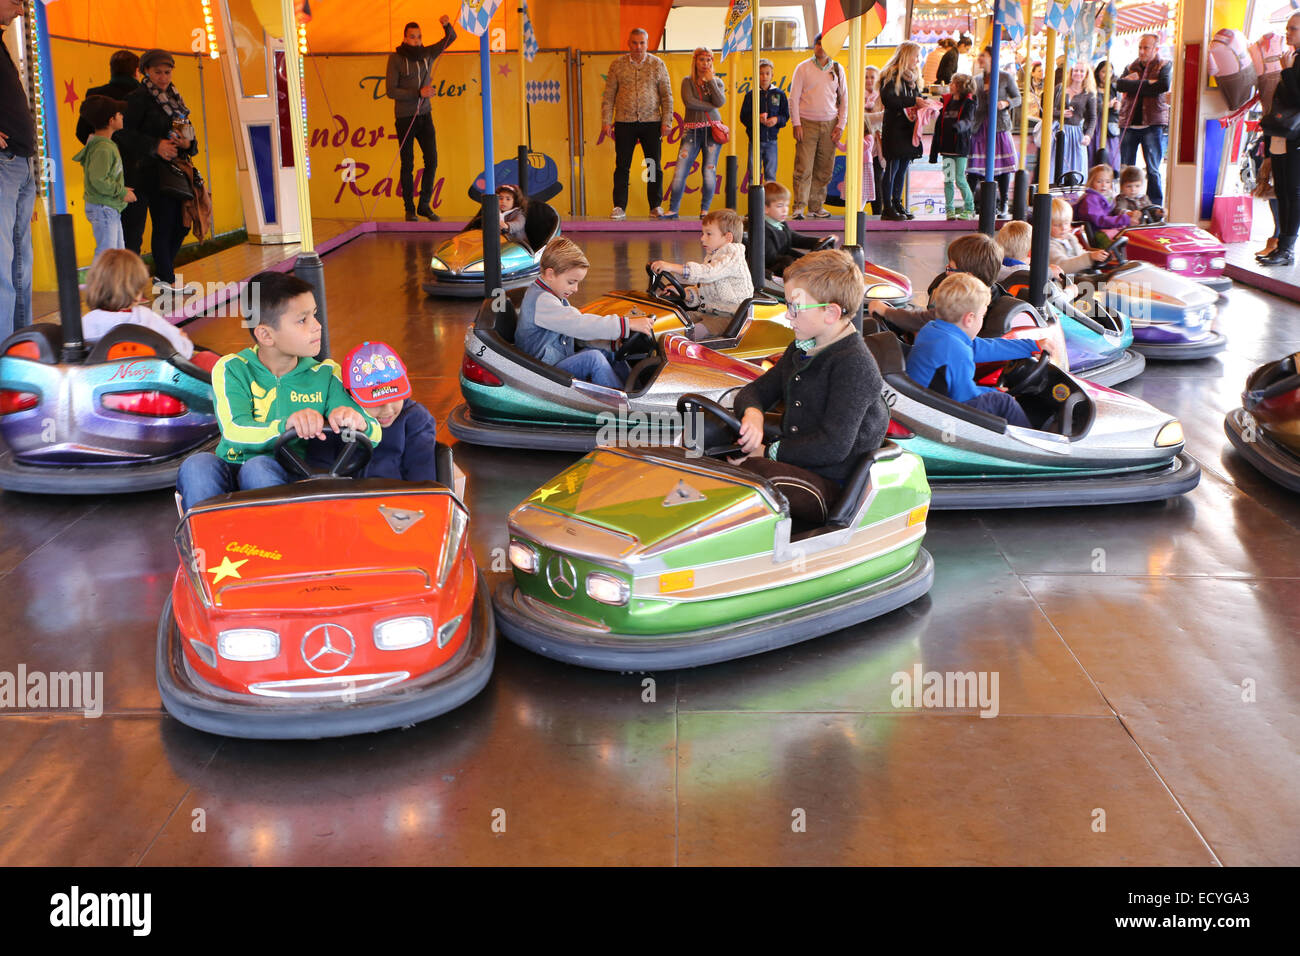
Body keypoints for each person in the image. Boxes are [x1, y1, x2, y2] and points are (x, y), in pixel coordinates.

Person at [175, 272, 382, 511]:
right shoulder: (233, 369)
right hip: (229, 469)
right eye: (302, 320)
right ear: (265, 335)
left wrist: (357, 421)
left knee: (258, 467)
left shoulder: (325, 374)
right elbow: (234, 430)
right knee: (197, 465)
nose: (317, 326)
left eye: (314, 315)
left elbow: (374, 432)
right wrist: (286, 425)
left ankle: (276, 543)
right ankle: (208, 542)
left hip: (289, 474)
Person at [730, 249, 888, 525]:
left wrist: (767, 451)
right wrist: (753, 415)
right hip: (798, 463)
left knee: (754, 474)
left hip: (833, 485)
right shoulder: (802, 348)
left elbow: (833, 446)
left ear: (830, 312)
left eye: (794, 307)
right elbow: (755, 391)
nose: (788, 316)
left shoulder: (854, 366)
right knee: (706, 432)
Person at [905, 272, 1047, 428]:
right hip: (935, 415)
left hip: (925, 402)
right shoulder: (956, 350)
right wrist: (995, 393)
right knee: (1004, 402)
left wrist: (1033, 346)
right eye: (982, 316)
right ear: (969, 318)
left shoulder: (933, 330)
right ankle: (1031, 449)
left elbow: (984, 348)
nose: (982, 320)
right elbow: (964, 397)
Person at [516, 238, 654, 390]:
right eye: (571, 282)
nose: (575, 289)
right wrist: (626, 325)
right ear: (550, 274)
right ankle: (624, 405)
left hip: (555, 361)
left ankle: (636, 391)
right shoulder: (542, 300)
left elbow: (574, 337)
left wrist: (611, 343)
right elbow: (579, 325)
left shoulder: (554, 296)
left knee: (609, 351)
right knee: (593, 359)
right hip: (542, 372)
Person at [118, 49, 198, 291]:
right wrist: (155, 146)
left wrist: (187, 143)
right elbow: (123, 134)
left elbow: (189, 135)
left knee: (181, 225)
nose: (163, 77)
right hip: (145, 174)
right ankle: (158, 280)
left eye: (167, 72)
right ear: (146, 72)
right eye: (157, 72)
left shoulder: (176, 99)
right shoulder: (138, 98)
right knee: (150, 229)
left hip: (173, 172)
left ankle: (164, 276)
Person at [308, 341, 440, 482]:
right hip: (345, 499)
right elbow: (318, 477)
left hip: (397, 500)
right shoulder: (334, 420)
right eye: (376, 403)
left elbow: (423, 480)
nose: (388, 410)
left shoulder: (416, 420)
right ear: (351, 396)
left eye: (395, 398)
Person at [80, 249, 212, 367]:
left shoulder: (85, 323)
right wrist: (182, 338)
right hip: (150, 386)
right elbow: (184, 352)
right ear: (135, 292)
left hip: (106, 388)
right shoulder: (144, 317)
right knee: (206, 358)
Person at [386, 16, 456, 222]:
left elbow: (451, 37)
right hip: (405, 117)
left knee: (432, 160)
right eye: (412, 37)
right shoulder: (396, 58)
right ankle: (409, 209)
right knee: (407, 163)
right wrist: (418, 92)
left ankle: (425, 205)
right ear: (405, 38)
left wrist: (445, 24)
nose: (417, 40)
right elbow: (390, 91)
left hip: (425, 116)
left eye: (419, 37)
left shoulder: (428, 53)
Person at [601, 27, 674, 221]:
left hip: (652, 122)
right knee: (622, 166)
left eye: (642, 43)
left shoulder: (657, 64)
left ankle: (655, 205)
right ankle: (619, 206)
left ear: (647, 44)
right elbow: (609, 95)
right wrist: (606, 120)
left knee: (652, 165)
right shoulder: (617, 65)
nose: (638, 47)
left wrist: (667, 121)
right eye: (635, 43)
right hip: (624, 122)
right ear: (628, 43)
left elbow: (667, 96)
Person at [868, 232, 1004, 334]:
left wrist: (885, 310)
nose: (946, 273)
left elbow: (922, 321)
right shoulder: (986, 292)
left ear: (968, 277)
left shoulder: (961, 303)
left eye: (950, 268)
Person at [651, 208, 753, 338]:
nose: (702, 238)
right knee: (671, 322)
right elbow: (706, 291)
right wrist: (685, 293)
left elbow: (708, 274)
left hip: (729, 318)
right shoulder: (713, 256)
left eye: (708, 234)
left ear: (728, 237)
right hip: (708, 314)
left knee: (682, 335)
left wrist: (672, 267)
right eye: (703, 233)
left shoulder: (733, 256)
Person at [1, 0, 37, 337]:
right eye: (15, 2)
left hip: (19, 161)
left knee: (20, 266)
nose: (20, 12)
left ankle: (19, 345)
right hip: (6, 162)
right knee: (4, 264)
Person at [789, 34, 847, 220]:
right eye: (818, 43)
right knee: (803, 168)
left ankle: (816, 207)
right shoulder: (803, 68)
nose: (821, 47)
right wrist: (796, 123)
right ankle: (799, 207)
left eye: (825, 43)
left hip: (830, 125)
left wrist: (840, 125)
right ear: (814, 46)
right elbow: (794, 98)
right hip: (806, 123)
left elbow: (844, 99)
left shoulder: (838, 69)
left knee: (824, 169)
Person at [663, 48, 726, 220]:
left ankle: (704, 210)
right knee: (681, 170)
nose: (705, 63)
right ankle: (673, 209)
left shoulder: (717, 82)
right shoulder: (687, 81)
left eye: (708, 60)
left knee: (708, 171)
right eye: (701, 60)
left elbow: (720, 101)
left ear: (711, 62)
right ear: (695, 61)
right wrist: (711, 106)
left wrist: (711, 81)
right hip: (691, 131)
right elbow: (689, 102)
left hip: (712, 131)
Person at [879, 42, 937, 221]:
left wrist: (925, 102)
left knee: (903, 167)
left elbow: (915, 98)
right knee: (892, 166)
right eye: (916, 56)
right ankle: (887, 206)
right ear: (906, 56)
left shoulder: (911, 78)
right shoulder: (890, 74)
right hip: (895, 128)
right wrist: (914, 101)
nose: (918, 60)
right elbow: (889, 100)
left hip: (908, 128)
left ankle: (897, 201)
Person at [1259, 13, 1300, 267]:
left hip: (1296, 136)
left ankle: (1287, 246)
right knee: (1282, 191)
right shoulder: (1292, 58)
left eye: (1293, 28)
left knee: (1294, 192)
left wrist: (1285, 72)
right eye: (1287, 28)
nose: (1288, 33)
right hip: (1281, 133)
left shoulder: (1291, 64)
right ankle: (1280, 244)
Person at [73, 96, 136, 262]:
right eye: (119, 114)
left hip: (108, 206)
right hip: (104, 207)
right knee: (106, 255)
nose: (122, 116)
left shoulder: (103, 145)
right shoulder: (103, 148)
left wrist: (121, 190)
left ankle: (114, 286)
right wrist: (121, 192)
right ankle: (98, 286)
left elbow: (103, 176)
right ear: (111, 120)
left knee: (117, 253)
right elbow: (99, 179)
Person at [1115, 34, 1172, 206]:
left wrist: (1137, 83)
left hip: (1152, 123)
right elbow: (1120, 85)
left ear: (1156, 49)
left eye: (1146, 47)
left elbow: (1163, 86)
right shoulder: (1131, 65)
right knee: (1126, 167)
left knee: (1153, 169)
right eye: (1140, 47)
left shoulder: (1164, 65)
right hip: (1129, 123)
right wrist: (1148, 84)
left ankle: (1154, 205)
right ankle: (1125, 203)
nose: (1142, 51)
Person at [968, 46, 1021, 216]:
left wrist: (1005, 103)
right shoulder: (976, 79)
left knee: (1003, 167)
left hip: (999, 125)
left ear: (991, 57)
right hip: (979, 125)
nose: (980, 58)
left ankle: (1003, 202)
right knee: (974, 167)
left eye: (983, 55)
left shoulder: (1005, 77)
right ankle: (971, 203)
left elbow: (1018, 98)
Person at [930, 73, 977, 221]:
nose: (950, 85)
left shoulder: (969, 103)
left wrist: (959, 127)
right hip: (946, 148)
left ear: (960, 86)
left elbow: (968, 121)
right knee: (948, 179)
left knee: (960, 179)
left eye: (953, 83)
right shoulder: (947, 102)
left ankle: (969, 208)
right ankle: (949, 210)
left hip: (960, 149)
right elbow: (939, 126)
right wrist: (935, 149)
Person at [740, 58, 788, 187]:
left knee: (770, 177)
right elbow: (743, 117)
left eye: (767, 73)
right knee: (753, 176)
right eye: (761, 73)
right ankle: (754, 207)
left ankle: (768, 206)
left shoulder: (779, 94)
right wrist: (757, 119)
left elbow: (785, 116)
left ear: (772, 75)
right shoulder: (751, 95)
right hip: (755, 141)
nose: (764, 76)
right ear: (756, 75)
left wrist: (776, 120)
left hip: (772, 141)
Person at [75, 50, 140, 144]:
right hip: (133, 157)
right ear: (136, 71)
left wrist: (99, 149)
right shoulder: (142, 96)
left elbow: (82, 132)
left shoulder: (95, 94)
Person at [761, 181, 820, 279]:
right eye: (780, 206)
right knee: (794, 263)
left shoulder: (780, 224)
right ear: (765, 208)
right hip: (773, 269)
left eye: (787, 205)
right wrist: (797, 261)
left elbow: (795, 238)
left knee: (812, 262)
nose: (785, 210)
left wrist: (817, 241)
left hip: (784, 262)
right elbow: (770, 258)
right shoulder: (764, 230)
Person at [1073, 164, 1140, 243]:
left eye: (1107, 182)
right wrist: (1125, 219)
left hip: (1105, 229)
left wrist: (1128, 214)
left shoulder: (1108, 197)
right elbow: (1100, 220)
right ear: (1091, 182)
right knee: (1125, 241)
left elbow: (1112, 214)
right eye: (1099, 181)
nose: (1104, 185)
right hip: (1096, 234)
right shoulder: (1090, 199)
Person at [1057, 63, 1097, 182]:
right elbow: (1048, 110)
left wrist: (1088, 135)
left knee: (1076, 164)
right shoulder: (1060, 88)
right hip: (1059, 131)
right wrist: (1060, 113)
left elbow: (1093, 117)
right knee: (1058, 162)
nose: (1078, 73)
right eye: (1076, 70)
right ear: (1071, 72)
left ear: (1086, 75)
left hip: (1076, 133)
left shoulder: (1089, 94)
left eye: (1081, 71)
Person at [1048, 197, 1110, 273]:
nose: (1063, 228)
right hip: (1064, 281)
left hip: (1078, 278)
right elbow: (1063, 266)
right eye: (1057, 225)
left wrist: (1094, 256)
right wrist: (1089, 258)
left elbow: (1080, 253)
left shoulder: (1070, 238)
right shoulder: (1049, 245)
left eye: (1066, 223)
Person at [864, 66, 886, 215]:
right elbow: (856, 119)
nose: (869, 80)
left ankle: (877, 213)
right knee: (861, 181)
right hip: (862, 145)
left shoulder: (882, 96)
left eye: (872, 77)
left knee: (877, 179)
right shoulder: (858, 96)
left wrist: (869, 117)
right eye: (866, 77)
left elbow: (884, 117)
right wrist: (874, 117)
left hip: (878, 145)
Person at [1095, 61, 1122, 171]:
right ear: (1098, 73)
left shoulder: (1114, 89)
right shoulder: (1093, 88)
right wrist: (1105, 105)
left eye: (1110, 71)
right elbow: (1090, 107)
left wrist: (1117, 107)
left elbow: (1119, 110)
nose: (1106, 74)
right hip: (1096, 124)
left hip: (1110, 125)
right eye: (1103, 71)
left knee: (1112, 155)